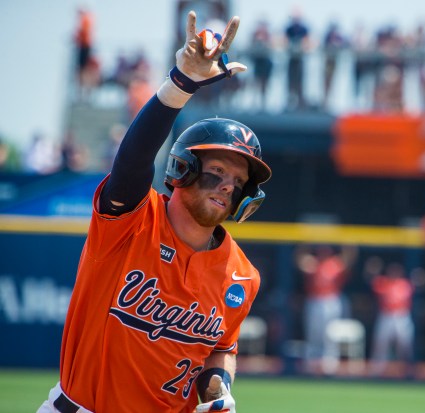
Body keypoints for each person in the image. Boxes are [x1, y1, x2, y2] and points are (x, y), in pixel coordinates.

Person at [38, 12, 270, 413]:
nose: (228, 185)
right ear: (182, 169)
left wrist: (219, 391)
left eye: (237, 180)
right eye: (216, 171)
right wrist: (180, 86)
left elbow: (219, 350)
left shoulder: (243, 275)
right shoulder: (131, 220)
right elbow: (132, 161)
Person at [295, 244, 358, 373]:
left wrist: (348, 244)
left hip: (331, 301)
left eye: (326, 251)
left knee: (330, 332)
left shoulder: (334, 263)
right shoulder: (313, 263)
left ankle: (330, 363)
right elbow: (299, 260)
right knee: (313, 333)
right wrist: (303, 244)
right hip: (315, 300)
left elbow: (349, 259)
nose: (323, 253)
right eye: (321, 251)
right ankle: (312, 363)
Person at [363, 256, 421, 377]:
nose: (394, 272)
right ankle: (377, 370)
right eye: (392, 270)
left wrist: (420, 277)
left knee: (405, 344)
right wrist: (372, 269)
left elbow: (421, 283)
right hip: (387, 316)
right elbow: (370, 279)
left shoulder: (405, 284)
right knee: (381, 343)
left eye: (397, 270)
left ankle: (407, 371)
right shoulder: (383, 282)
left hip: (401, 316)